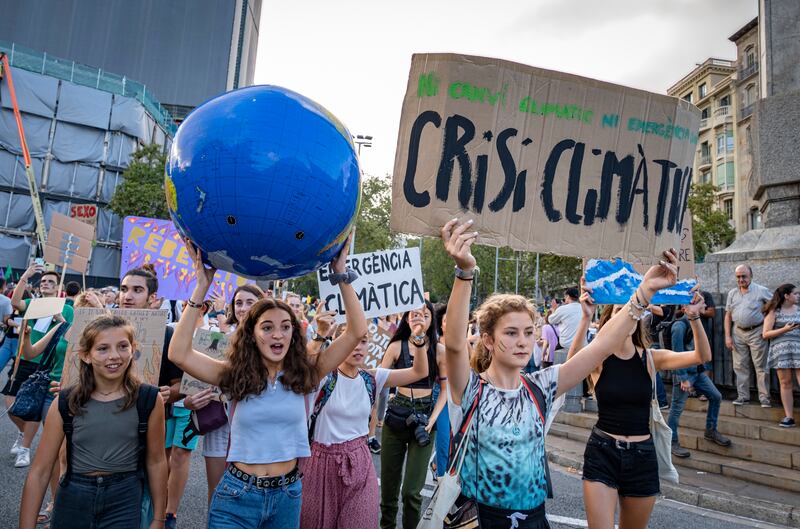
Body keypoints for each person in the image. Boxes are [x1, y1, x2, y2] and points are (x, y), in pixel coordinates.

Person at [441, 218, 680, 529]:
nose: (522, 341)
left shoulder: (542, 386)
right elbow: (456, 345)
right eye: (511, 333)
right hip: (483, 521)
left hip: (534, 520)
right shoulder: (470, 390)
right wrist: (464, 272)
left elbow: (601, 346)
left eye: (528, 332)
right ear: (487, 339)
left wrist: (642, 293)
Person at [168, 235, 366, 529]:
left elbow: (355, 331)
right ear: (252, 334)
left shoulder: (307, 374)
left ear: (294, 334)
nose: (278, 335)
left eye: (286, 327)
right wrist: (201, 286)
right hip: (236, 496)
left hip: (287, 497)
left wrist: (341, 276)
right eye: (268, 327)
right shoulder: (234, 375)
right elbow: (179, 353)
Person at [565, 279, 712, 529]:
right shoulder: (599, 358)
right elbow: (571, 367)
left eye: (633, 311)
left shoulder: (650, 358)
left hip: (642, 454)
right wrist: (585, 319)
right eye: (623, 310)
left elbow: (701, 356)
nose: (629, 316)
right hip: (603, 451)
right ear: (612, 319)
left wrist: (694, 318)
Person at [18, 314, 168, 529]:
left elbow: (157, 462)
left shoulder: (149, 399)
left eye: (123, 346)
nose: (114, 356)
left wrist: (159, 518)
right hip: (73, 498)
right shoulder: (65, 402)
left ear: (134, 349)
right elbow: (40, 471)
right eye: (103, 348)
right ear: (86, 355)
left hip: (124, 498)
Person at [300, 317, 430, 529]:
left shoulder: (371, 378)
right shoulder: (324, 377)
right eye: (352, 340)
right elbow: (301, 372)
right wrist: (318, 336)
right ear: (338, 342)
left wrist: (418, 337)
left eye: (364, 341)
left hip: (360, 463)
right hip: (320, 464)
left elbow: (419, 372)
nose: (358, 347)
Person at [118, 264, 186, 529]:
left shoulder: (167, 335)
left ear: (152, 298)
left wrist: (170, 393)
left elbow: (180, 385)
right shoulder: (103, 330)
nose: (127, 296)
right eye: (124, 289)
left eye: (137, 290)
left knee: (148, 490)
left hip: (153, 427)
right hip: (108, 428)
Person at [379, 300, 447, 529]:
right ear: (406, 318)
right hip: (396, 416)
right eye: (414, 314)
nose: (419, 318)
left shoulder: (439, 350)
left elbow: (446, 390)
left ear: (432, 320)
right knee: (388, 490)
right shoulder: (396, 346)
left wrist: (434, 418)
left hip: (425, 419)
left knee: (411, 493)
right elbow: (379, 379)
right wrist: (387, 398)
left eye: (425, 314)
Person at [197, 283, 265, 502]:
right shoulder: (216, 336)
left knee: (249, 496)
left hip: (253, 427)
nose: (243, 308)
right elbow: (195, 378)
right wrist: (191, 399)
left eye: (249, 303)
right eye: (238, 303)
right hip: (219, 424)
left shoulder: (270, 342)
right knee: (216, 494)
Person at [666, 307, 731, 458]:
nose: (703, 307)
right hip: (684, 374)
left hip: (697, 372)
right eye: (699, 304)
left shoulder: (696, 322)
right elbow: (677, 353)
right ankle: (671, 441)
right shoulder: (679, 326)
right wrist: (683, 378)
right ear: (685, 308)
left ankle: (710, 430)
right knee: (676, 409)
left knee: (716, 396)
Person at [724, 264, 772, 407]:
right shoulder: (732, 293)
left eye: (744, 276)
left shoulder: (761, 291)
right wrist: (727, 336)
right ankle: (743, 396)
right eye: (738, 277)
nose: (741, 279)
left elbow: (774, 305)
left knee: (761, 366)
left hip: (757, 331)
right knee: (739, 366)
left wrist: (767, 321)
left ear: (751, 275)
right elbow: (728, 315)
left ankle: (764, 398)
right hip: (737, 332)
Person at [763, 284, 800, 427]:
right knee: (785, 383)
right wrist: (784, 329)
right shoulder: (774, 311)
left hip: (798, 350)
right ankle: (789, 417)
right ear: (786, 296)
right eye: (795, 293)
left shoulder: (799, 309)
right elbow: (765, 334)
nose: (798, 296)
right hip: (781, 352)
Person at [548, 287, 582, 354]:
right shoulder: (583, 307)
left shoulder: (563, 309)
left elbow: (551, 320)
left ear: (568, 296)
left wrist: (554, 309)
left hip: (566, 344)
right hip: (582, 344)